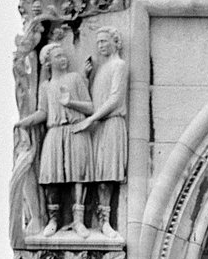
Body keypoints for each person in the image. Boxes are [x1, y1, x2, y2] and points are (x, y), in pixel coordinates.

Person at [17, 44, 94, 236]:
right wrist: (24, 122)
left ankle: (78, 220)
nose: (63, 59)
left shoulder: (75, 79)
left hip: (75, 130)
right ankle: (53, 219)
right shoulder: (46, 86)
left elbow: (90, 107)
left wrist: (71, 103)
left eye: (64, 55)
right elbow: (43, 112)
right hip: (55, 132)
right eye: (58, 56)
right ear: (49, 62)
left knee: (79, 175)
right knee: (51, 176)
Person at [81, 27, 128, 238]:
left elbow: (115, 98)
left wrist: (92, 118)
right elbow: (93, 100)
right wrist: (85, 77)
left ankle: (106, 222)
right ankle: (95, 220)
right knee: (95, 172)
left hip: (110, 123)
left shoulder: (119, 66)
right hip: (99, 125)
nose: (100, 46)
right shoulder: (100, 69)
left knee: (106, 174)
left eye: (104, 41)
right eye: (98, 42)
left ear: (114, 42)